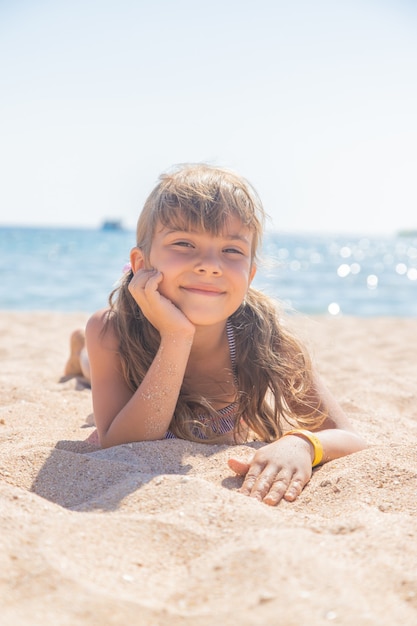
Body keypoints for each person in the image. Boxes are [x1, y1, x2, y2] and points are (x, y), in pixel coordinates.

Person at [64, 163, 368, 506]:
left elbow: (351, 439)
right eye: (184, 243)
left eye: (231, 250)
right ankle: (81, 351)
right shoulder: (110, 330)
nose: (210, 265)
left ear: (250, 274)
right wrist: (177, 336)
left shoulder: (268, 339)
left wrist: (302, 443)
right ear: (141, 263)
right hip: (126, 347)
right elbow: (123, 443)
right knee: (93, 368)